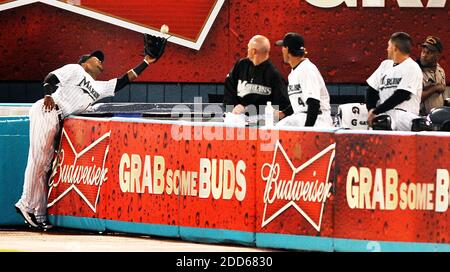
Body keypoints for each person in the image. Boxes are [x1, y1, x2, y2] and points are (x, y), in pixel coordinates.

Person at [15, 50, 159, 230]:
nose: (100, 61)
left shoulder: (98, 88)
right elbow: (51, 78)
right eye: (96, 57)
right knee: (38, 161)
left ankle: (38, 213)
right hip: (47, 110)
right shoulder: (76, 69)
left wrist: (146, 62)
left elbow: (123, 81)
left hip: (57, 118)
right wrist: (48, 95)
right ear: (84, 62)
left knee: (44, 166)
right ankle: (25, 203)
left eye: (102, 60)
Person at [223, 35, 291, 120]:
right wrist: (234, 106)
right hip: (236, 116)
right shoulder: (240, 65)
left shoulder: (273, 75)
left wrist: (248, 109)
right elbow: (229, 87)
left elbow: (281, 105)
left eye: (248, 48)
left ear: (254, 51)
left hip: (260, 120)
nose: (247, 50)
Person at [366, 32, 423, 131]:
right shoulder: (385, 65)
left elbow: (402, 95)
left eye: (389, 46)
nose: (387, 49)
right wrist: (371, 109)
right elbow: (371, 90)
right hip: (385, 114)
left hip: (406, 116)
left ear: (395, 48)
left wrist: (376, 111)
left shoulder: (412, 67)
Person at [274, 32, 333, 128]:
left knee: (275, 132)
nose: (282, 50)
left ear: (287, 49)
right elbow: (301, 103)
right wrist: (284, 113)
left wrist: (307, 132)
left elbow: (313, 103)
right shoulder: (295, 72)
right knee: (273, 130)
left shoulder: (307, 70)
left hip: (318, 120)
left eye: (283, 47)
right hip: (303, 117)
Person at [417, 36, 449, 115]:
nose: (424, 55)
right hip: (422, 120)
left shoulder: (440, 71)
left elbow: (441, 93)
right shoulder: (416, 70)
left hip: (438, 118)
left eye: (428, 53)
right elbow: (415, 98)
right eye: (423, 51)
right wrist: (435, 88)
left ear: (437, 55)